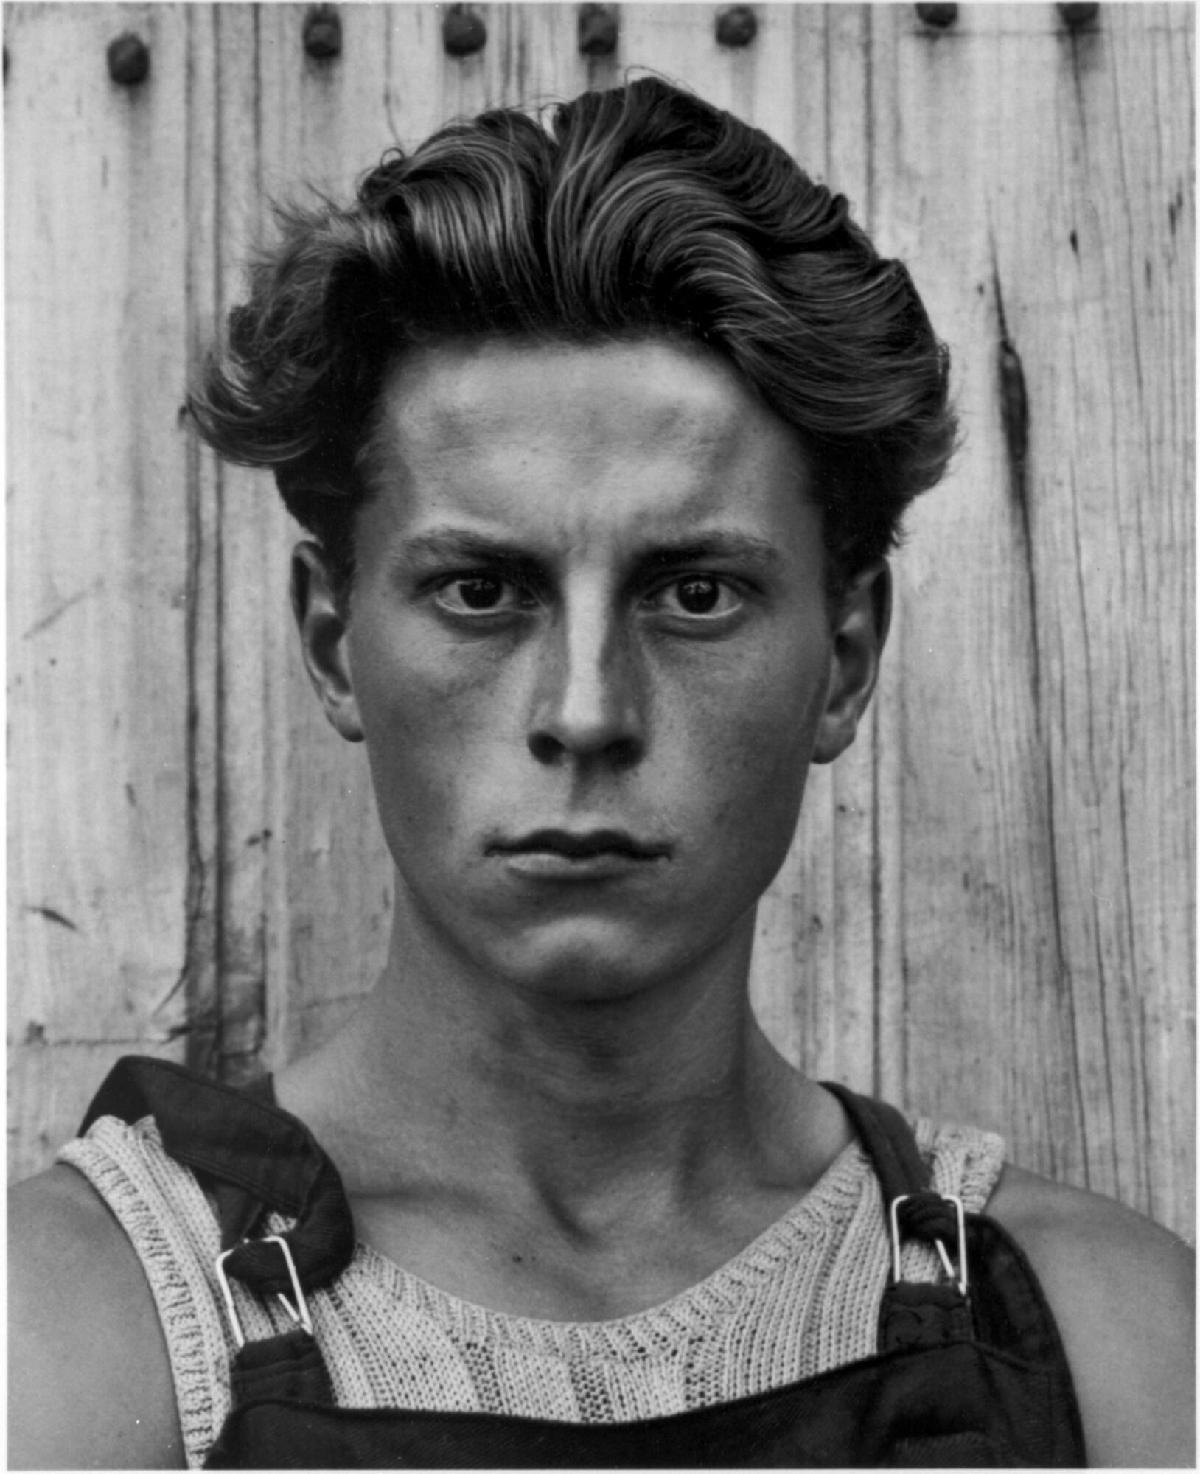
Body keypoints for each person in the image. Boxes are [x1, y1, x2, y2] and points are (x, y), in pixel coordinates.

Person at [9, 78, 1193, 1469]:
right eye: (478, 588)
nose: (585, 709)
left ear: (850, 653)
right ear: (334, 642)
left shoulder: (1109, 1341)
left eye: (693, 591)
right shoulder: (72, 1333)